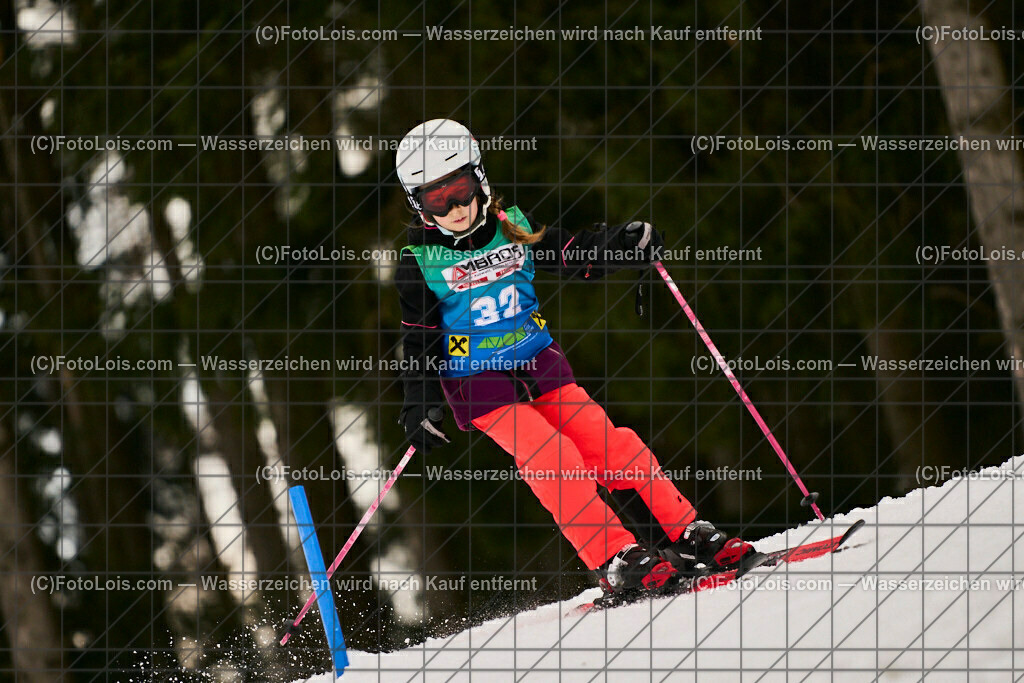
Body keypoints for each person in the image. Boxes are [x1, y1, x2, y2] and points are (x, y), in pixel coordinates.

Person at [392, 119, 754, 597]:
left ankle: (685, 534)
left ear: (479, 179)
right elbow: (418, 341)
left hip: (539, 363)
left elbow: (570, 252)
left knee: (612, 446)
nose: (456, 207)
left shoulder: (510, 225)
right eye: (438, 198)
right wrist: (417, 402)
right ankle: (614, 558)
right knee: (552, 455)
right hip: (478, 382)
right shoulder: (418, 261)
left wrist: (621, 244)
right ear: (420, 203)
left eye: (460, 189)